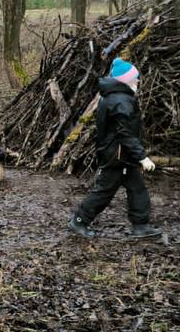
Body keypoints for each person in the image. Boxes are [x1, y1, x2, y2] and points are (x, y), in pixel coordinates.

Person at [67, 58, 162, 240]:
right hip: (118, 156)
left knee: (137, 189)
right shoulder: (121, 100)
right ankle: (79, 221)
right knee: (104, 192)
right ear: (126, 81)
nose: (138, 82)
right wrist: (142, 157)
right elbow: (125, 133)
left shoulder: (114, 97)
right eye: (135, 79)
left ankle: (140, 226)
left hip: (121, 155)